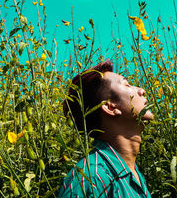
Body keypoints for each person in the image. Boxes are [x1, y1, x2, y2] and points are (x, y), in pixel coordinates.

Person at [56, 61, 153, 198]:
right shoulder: (91, 179)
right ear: (111, 107)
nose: (141, 91)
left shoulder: (134, 174)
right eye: (126, 84)